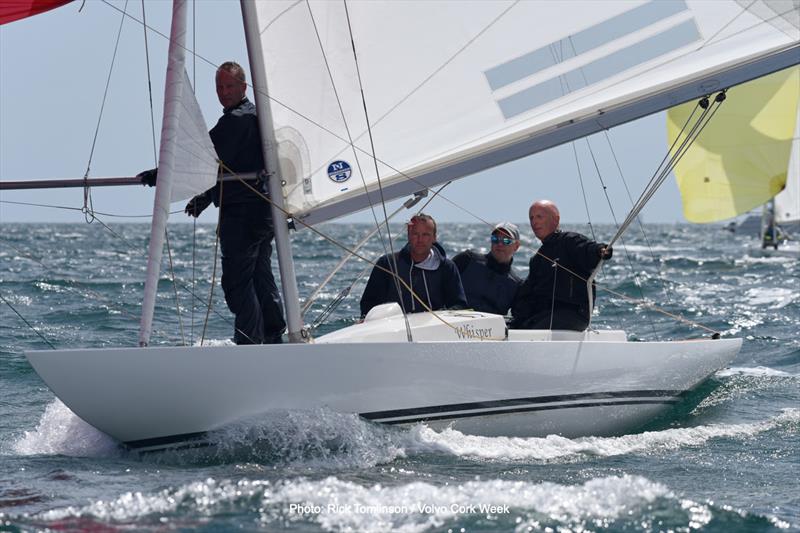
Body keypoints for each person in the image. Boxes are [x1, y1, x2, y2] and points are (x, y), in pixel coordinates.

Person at [139, 61, 286, 344]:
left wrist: (158, 176)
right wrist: (205, 197)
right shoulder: (254, 116)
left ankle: (250, 342)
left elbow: (202, 159)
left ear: (244, 87)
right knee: (258, 275)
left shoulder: (237, 120)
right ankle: (273, 335)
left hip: (244, 217)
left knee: (237, 282)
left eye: (230, 86)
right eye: (219, 87)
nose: (224, 92)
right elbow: (226, 164)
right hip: (262, 213)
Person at [510, 200, 612, 331]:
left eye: (539, 217)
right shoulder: (537, 259)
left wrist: (600, 250)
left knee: (533, 329)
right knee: (515, 327)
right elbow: (529, 293)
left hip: (574, 314)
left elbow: (587, 250)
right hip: (545, 315)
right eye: (531, 218)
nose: (534, 222)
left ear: (556, 219)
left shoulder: (569, 241)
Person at [359, 213, 467, 318]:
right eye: (415, 234)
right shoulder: (387, 264)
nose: (420, 240)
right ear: (408, 236)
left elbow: (459, 305)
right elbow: (368, 305)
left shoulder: (447, 267)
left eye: (425, 235)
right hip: (395, 328)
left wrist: (439, 316)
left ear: (434, 237)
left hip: (434, 327)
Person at [452, 222, 522, 315]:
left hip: (489, 328)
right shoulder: (467, 259)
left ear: (516, 246)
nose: (500, 244)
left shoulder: (516, 285)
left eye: (506, 241)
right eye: (495, 239)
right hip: (453, 320)